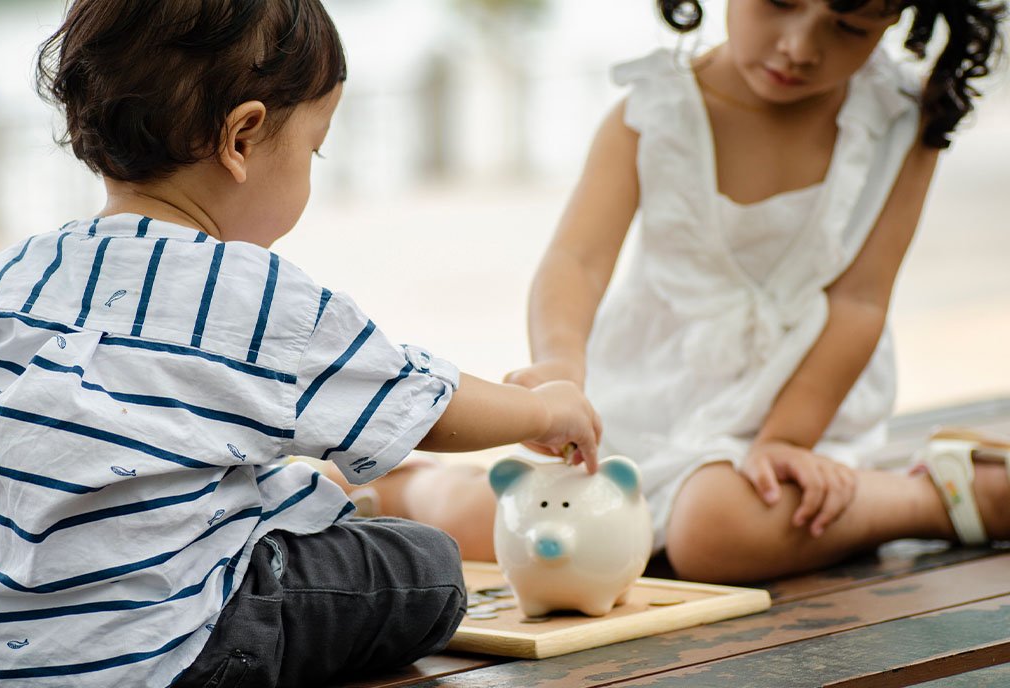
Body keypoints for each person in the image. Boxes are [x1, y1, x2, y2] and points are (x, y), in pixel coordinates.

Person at [0, 1, 601, 686]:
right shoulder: (247, 294)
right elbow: (421, 399)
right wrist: (544, 411)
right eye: (315, 147)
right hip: (170, 656)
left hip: (8, 650)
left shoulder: (11, 275)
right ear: (242, 138)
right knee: (424, 568)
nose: (312, 166)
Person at [358, 0, 1010, 581]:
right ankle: (412, 489)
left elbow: (860, 301)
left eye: (848, 23)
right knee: (521, 522)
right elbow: (577, 260)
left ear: (896, 15)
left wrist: (784, 441)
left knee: (715, 531)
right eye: (779, 3)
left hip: (801, 412)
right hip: (648, 398)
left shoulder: (902, 120)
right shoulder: (655, 109)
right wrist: (560, 365)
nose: (800, 47)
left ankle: (941, 498)